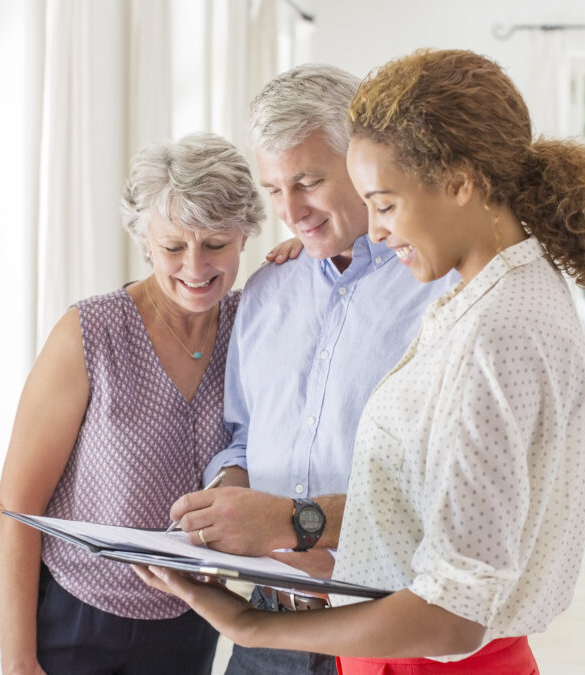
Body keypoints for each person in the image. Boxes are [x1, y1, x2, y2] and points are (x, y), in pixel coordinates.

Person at [135, 48, 585, 673]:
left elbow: (453, 607)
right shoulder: (484, 294)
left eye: (382, 201)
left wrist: (256, 606)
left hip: (403, 640)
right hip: (344, 633)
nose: (379, 232)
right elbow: (424, 501)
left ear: (458, 183)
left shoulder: (483, 316)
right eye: (275, 189)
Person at [167, 64, 456, 675]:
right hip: (269, 621)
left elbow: (447, 480)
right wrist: (225, 499)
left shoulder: (439, 291)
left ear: (363, 160)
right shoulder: (266, 291)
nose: (291, 210)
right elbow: (243, 433)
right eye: (274, 190)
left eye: (307, 181)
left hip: (385, 619)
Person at [0, 132, 265, 675]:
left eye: (216, 244)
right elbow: (17, 510)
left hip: (193, 618)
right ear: (144, 240)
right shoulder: (90, 331)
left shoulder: (255, 325)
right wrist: (18, 660)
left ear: (245, 235)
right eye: (173, 247)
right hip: (75, 618)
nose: (195, 266)